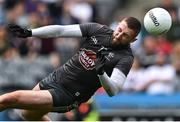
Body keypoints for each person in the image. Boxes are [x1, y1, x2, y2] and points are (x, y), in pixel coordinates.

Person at [0, 17, 141, 121]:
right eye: (119, 29)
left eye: (125, 36)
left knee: (9, 99)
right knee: (28, 115)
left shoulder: (125, 58)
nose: (119, 35)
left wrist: (101, 73)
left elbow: (113, 90)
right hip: (55, 78)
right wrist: (30, 32)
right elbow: (61, 31)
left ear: (133, 40)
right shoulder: (98, 30)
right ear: (117, 24)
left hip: (69, 95)